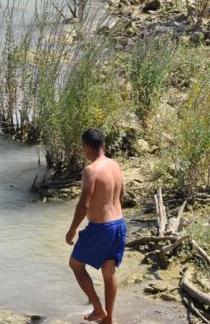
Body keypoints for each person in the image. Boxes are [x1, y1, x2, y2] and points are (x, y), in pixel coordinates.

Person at [65, 128, 126, 324]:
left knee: (75, 264)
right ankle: (108, 319)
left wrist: (72, 229)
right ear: (103, 145)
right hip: (119, 224)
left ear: (87, 148)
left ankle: (98, 309)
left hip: (101, 228)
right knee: (109, 272)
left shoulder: (90, 171)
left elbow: (84, 204)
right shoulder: (115, 165)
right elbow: (121, 195)